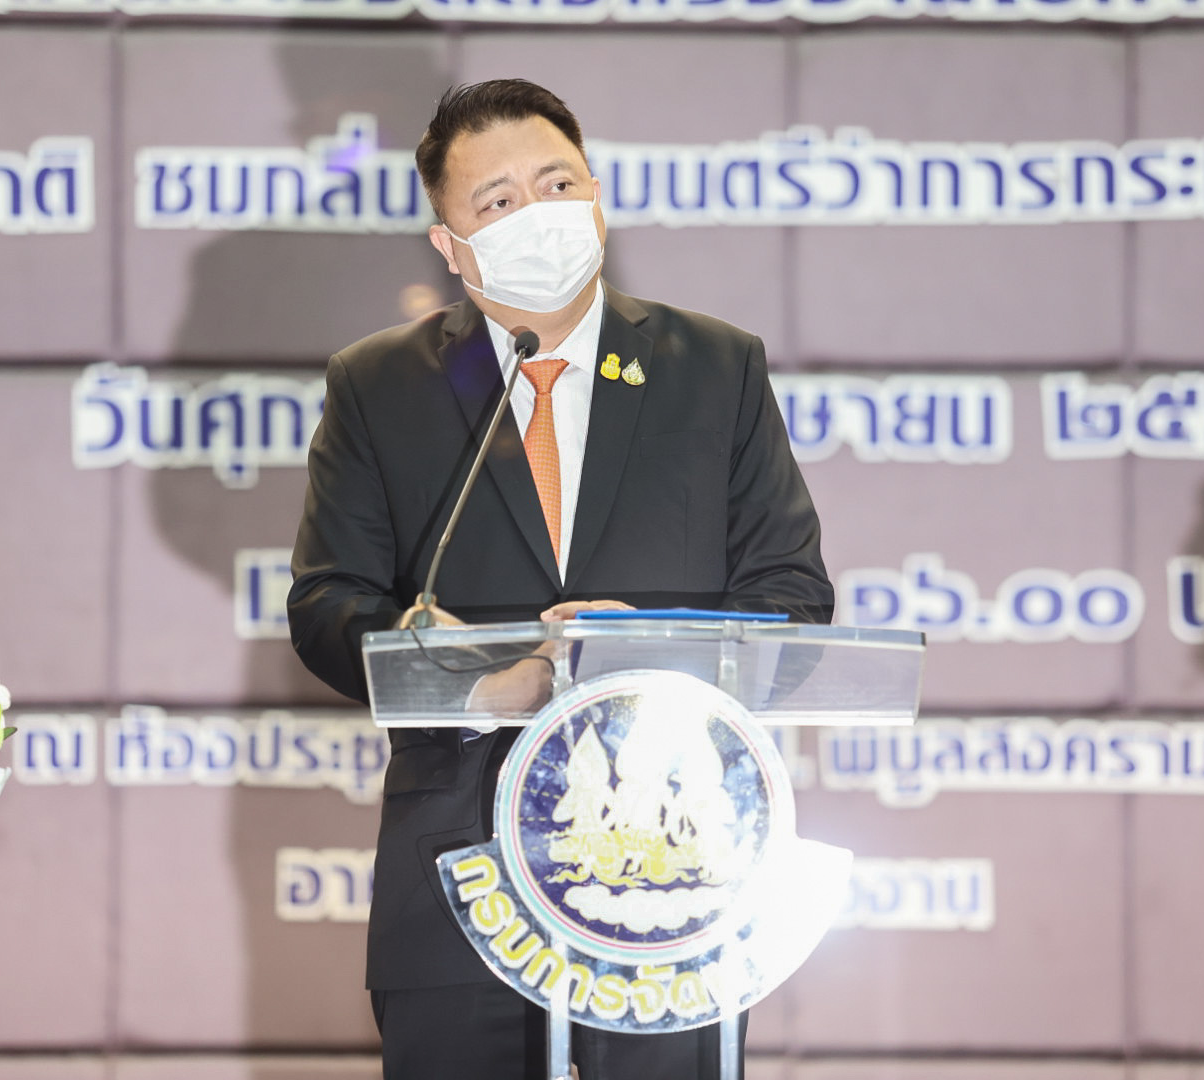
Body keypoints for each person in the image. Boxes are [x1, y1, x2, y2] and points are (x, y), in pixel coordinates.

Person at [288, 78, 834, 1080]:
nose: (537, 213)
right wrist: (483, 688)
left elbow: (792, 599)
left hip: (673, 874)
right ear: (451, 245)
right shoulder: (381, 385)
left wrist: (644, 662)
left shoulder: (715, 369)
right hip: (457, 868)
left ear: (597, 198)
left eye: (556, 184)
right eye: (497, 201)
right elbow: (327, 606)